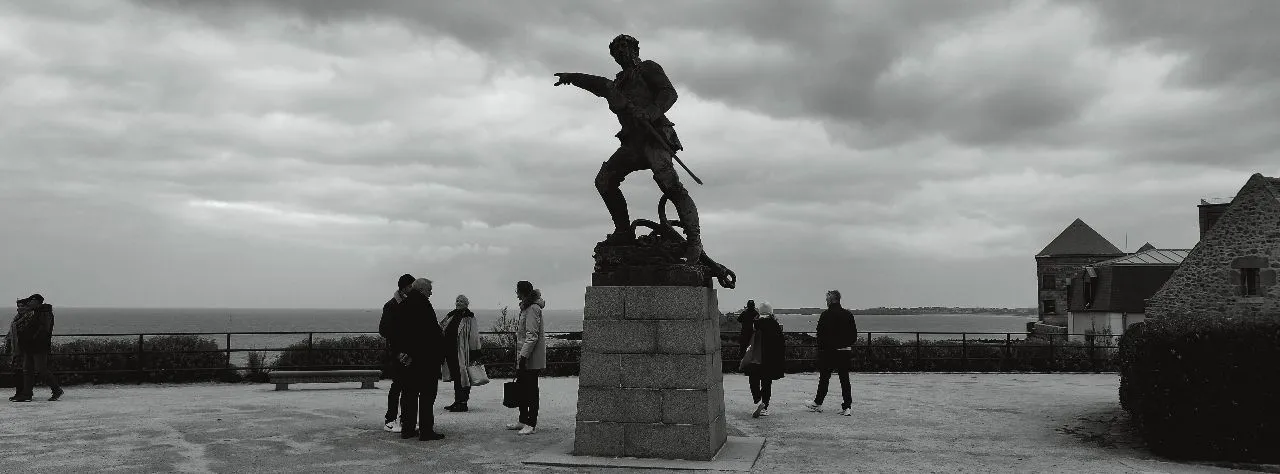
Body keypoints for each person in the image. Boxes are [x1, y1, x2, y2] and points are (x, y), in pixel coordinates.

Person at [553, 34, 704, 262]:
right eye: (616, 50)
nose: (621, 51)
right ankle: (623, 231)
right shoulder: (617, 85)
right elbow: (598, 84)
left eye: (625, 46)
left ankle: (694, 241)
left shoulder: (648, 68)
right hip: (633, 143)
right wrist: (572, 78)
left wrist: (651, 112)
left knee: (670, 184)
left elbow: (669, 93)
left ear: (635, 49)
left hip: (655, 138)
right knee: (604, 180)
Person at [393, 278, 445, 441]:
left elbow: (398, 333)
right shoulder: (424, 305)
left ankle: (407, 429)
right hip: (426, 359)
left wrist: (403, 353)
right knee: (427, 396)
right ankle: (426, 430)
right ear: (422, 290)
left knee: (409, 394)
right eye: (429, 289)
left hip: (408, 360)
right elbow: (429, 333)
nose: (431, 292)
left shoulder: (403, 305)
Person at [805, 290, 858, 416]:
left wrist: (823, 348)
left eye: (827, 299)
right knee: (844, 379)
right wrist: (845, 344)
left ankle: (818, 403)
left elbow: (820, 335)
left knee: (824, 378)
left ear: (831, 299)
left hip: (828, 352)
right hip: (844, 351)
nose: (826, 301)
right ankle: (847, 406)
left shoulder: (825, 315)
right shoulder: (848, 315)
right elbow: (853, 335)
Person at [505, 280, 545, 435]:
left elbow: (532, 335)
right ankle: (522, 420)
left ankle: (531, 423)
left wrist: (523, 357)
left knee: (531, 390)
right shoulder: (526, 307)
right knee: (523, 389)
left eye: (517, 291)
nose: (516, 294)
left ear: (522, 292)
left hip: (529, 358)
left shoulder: (532, 308)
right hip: (524, 356)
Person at [378, 273, 415, 433]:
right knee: (397, 385)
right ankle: (390, 419)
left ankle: (405, 418)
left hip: (411, 351)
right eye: (411, 286)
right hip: (397, 351)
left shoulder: (412, 304)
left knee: (409, 386)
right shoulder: (391, 305)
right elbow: (383, 330)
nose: (413, 289)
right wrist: (400, 337)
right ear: (404, 287)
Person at [14, 294, 62, 402]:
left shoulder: (45, 313)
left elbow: (44, 330)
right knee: (27, 370)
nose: (29, 302)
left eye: (31, 300)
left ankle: (57, 390)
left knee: (41, 369)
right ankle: (27, 394)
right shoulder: (36, 312)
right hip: (30, 346)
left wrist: (32, 338)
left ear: (37, 301)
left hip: (39, 346)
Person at [440, 294, 482, 412]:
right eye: (457, 301)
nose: (458, 303)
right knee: (456, 376)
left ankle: (463, 403)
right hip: (450, 351)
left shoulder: (470, 317)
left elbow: (474, 336)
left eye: (461, 301)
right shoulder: (451, 315)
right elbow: (441, 328)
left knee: (464, 376)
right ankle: (457, 401)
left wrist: (474, 352)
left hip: (463, 351)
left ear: (466, 304)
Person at [744, 302, 785, 418]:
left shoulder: (755, 323)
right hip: (769, 359)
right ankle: (764, 407)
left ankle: (757, 399)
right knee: (767, 382)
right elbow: (780, 344)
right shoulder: (775, 325)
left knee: (753, 379)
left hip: (755, 357)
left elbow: (746, 338)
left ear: (760, 311)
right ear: (771, 312)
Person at [7, 298, 28, 402]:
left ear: (27, 307)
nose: (20, 308)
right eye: (19, 306)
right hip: (17, 349)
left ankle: (23, 393)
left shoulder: (27, 318)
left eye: (22, 306)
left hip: (24, 349)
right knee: (17, 372)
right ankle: (18, 392)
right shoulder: (17, 318)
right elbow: (11, 333)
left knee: (23, 372)